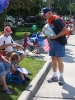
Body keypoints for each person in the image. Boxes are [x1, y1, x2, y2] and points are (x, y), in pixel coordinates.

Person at [41, 7, 67, 85]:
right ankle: (55, 76)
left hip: (59, 42)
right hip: (52, 42)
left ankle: (61, 77)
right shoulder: (48, 21)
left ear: (49, 13)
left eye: (44, 14)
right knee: (53, 60)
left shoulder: (57, 20)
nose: (43, 16)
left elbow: (64, 30)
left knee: (59, 60)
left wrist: (55, 37)